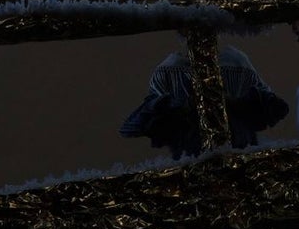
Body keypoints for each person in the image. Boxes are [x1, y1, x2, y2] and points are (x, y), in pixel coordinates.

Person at [119, 45, 289, 159]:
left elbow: (277, 108)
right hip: (194, 166)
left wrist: (234, 104)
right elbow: (132, 126)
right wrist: (177, 107)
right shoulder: (169, 70)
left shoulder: (237, 63)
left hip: (236, 162)